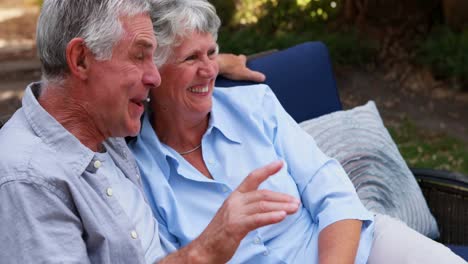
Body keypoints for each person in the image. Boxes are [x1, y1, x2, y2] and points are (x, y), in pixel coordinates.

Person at [129, 0, 467, 263]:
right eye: (191, 59)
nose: (208, 71)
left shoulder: (255, 105)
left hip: (351, 249)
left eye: (213, 53)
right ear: (153, 71)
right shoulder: (137, 167)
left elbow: (336, 197)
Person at [0, 0, 301, 263]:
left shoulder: (102, 123)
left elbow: (170, 76)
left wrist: (212, 63)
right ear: (81, 59)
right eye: (140, 55)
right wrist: (203, 252)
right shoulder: (29, 180)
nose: (154, 77)